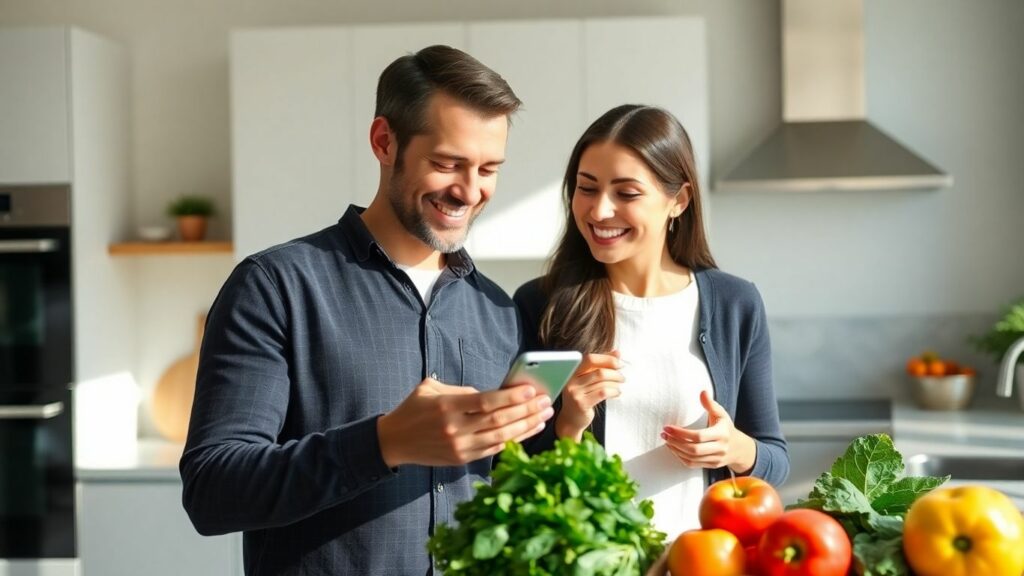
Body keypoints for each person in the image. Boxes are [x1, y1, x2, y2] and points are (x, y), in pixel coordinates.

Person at [180, 45, 555, 576]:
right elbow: (213, 490)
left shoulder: (496, 309)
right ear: (385, 142)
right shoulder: (276, 286)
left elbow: (506, 498)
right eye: (447, 163)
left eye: (488, 168)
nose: (469, 191)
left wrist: (566, 429)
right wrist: (384, 442)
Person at [515, 104, 788, 538]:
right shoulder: (541, 305)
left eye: (626, 193)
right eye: (587, 188)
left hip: (702, 562)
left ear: (677, 200)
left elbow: (774, 460)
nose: (599, 210)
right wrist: (569, 423)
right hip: (591, 563)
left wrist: (734, 448)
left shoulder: (735, 304)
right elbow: (511, 472)